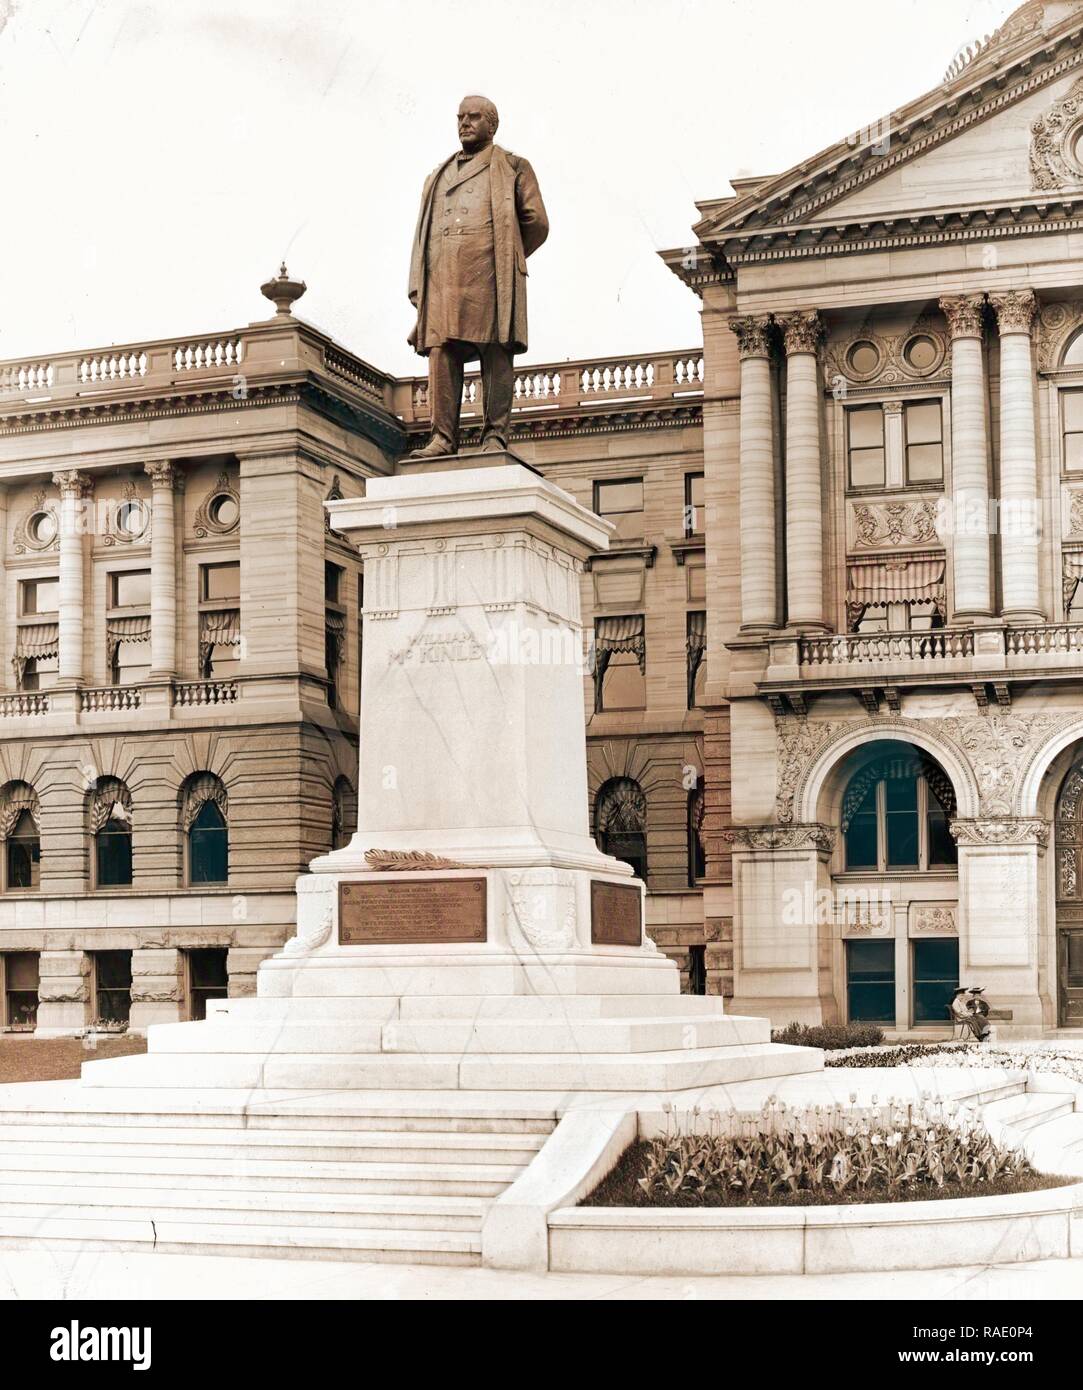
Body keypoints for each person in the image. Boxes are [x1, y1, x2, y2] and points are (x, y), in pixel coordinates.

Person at [406, 95, 549, 459]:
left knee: (495, 349)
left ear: (492, 125)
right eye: (460, 118)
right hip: (442, 277)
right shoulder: (436, 175)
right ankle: (442, 437)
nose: (464, 123)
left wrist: (504, 253)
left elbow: (537, 222)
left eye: (473, 117)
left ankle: (495, 435)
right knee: (441, 351)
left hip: (489, 272)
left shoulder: (514, 167)